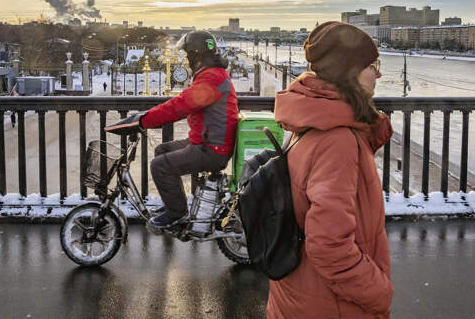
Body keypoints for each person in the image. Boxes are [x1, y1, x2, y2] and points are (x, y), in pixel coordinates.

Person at [268, 21, 394, 318]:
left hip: (300, 293)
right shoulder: (337, 140)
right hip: (331, 306)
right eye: (371, 65)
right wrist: (378, 292)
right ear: (348, 71)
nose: (378, 73)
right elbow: (329, 246)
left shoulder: (313, 119)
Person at [105, 30, 238, 232]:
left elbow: (179, 106)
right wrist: (146, 116)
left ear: (196, 55)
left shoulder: (211, 78)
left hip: (212, 148)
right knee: (162, 151)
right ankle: (174, 206)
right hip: (207, 141)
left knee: (159, 166)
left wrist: (143, 121)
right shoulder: (212, 75)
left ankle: (178, 214)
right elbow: (181, 103)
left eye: (187, 55)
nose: (186, 59)